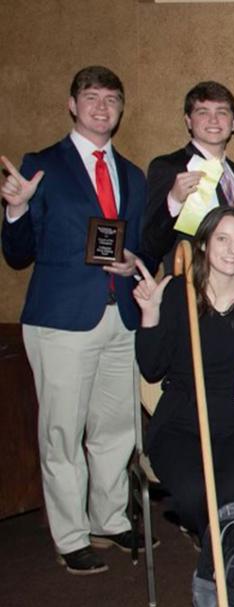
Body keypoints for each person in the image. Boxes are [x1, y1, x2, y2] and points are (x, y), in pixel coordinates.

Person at [1, 66, 149, 575]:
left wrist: (132, 262)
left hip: (120, 315)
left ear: (121, 108)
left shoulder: (132, 174)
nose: (101, 108)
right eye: (91, 98)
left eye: (111, 99)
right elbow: (19, 253)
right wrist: (16, 211)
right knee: (62, 432)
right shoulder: (42, 166)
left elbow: (139, 242)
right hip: (62, 321)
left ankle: (107, 518)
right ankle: (70, 535)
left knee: (116, 428)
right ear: (72, 104)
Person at [134, 207, 234, 540]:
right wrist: (150, 313)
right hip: (178, 421)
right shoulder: (178, 294)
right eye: (222, 239)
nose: (232, 250)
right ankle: (218, 544)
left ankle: (227, 551)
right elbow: (151, 368)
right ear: (204, 244)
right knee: (194, 495)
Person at [142, 81, 234, 272]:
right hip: (187, 289)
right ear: (188, 121)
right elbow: (151, 245)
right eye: (203, 112)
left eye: (222, 112)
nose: (213, 120)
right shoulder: (169, 167)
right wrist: (173, 201)